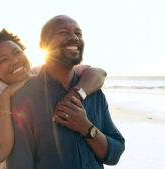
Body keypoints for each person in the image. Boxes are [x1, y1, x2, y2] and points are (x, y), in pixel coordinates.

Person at [0, 29, 107, 169]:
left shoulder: (40, 74)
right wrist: (6, 96)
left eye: (17, 53)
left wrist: (75, 95)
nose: (15, 61)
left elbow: (98, 74)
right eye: (4, 60)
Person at [7, 15, 125, 169]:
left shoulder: (93, 92)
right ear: (43, 46)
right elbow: (20, 164)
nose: (74, 38)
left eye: (78, 33)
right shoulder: (24, 98)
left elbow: (115, 154)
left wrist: (87, 128)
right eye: (63, 32)